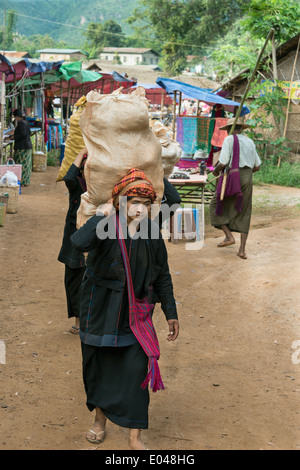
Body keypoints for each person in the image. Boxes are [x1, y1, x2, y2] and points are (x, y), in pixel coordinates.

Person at [71, 169, 179, 450]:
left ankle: (134, 437)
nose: (140, 209)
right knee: (100, 370)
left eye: (145, 204)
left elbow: (163, 275)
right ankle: (99, 421)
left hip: (135, 317)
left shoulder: (151, 233)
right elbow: (78, 243)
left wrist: (171, 312)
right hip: (101, 311)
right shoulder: (106, 225)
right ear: (120, 201)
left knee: (135, 372)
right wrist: (101, 214)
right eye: (134, 202)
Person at [209, 118, 261, 260]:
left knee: (215, 204)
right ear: (241, 128)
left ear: (230, 129)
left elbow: (224, 161)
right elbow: (257, 166)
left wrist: (214, 172)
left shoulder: (229, 140)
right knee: (245, 211)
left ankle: (229, 236)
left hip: (232, 177)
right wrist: (245, 175)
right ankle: (242, 250)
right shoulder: (250, 142)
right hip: (247, 178)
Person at [58, 148, 87, 334]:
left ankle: (86, 321)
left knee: (87, 279)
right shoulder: (77, 185)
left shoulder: (100, 188)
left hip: (95, 240)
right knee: (73, 280)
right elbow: (68, 177)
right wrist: (83, 152)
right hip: (73, 241)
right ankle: (78, 319)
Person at [12, 109, 33, 186]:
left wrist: (13, 137)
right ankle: (25, 181)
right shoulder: (25, 122)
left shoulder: (21, 123)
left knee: (21, 165)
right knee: (26, 165)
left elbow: (22, 134)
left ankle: (22, 181)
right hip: (26, 146)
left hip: (22, 147)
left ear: (17, 116)